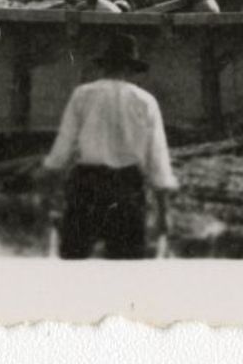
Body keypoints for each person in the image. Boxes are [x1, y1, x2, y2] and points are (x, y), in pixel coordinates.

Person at [40, 32, 176, 259]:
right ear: (131, 69)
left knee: (74, 263)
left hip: (87, 187)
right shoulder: (145, 102)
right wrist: (164, 212)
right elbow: (158, 159)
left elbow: (62, 148)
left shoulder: (82, 95)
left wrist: (49, 191)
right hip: (127, 188)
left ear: (104, 66)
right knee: (126, 268)